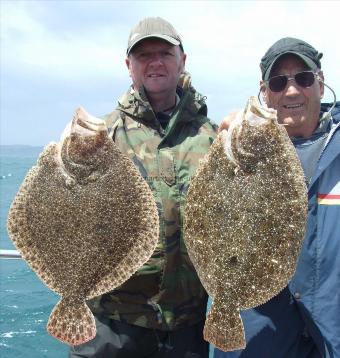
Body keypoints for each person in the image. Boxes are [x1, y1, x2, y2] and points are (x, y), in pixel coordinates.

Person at [69, 17, 217, 358]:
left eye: (165, 52)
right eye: (143, 55)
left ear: (182, 61)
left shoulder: (213, 139)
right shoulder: (97, 137)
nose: (155, 62)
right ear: (129, 66)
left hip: (187, 324)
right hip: (111, 321)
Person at [215, 38, 340, 358]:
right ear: (264, 92)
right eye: (279, 81)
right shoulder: (239, 151)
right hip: (262, 326)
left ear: (321, 84)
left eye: (304, 78)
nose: (293, 90)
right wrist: (221, 149)